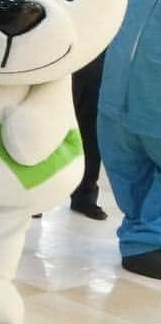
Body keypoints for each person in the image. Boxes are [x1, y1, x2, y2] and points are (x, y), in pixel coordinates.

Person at [70, 51, 107, 220]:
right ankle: (37, 198)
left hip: (97, 50)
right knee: (49, 125)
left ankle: (84, 195)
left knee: (91, 129)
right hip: (63, 54)